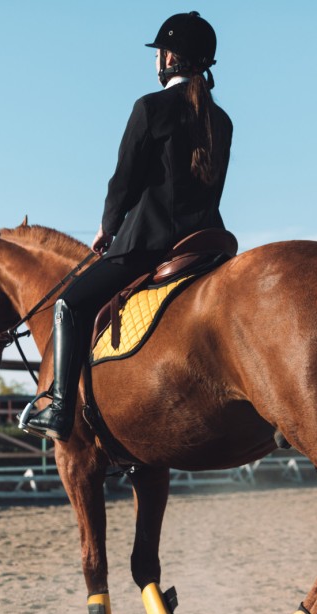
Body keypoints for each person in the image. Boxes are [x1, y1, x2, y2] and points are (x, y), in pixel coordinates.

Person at [21, 10, 233, 441]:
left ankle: (59, 407)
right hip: (209, 244)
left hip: (150, 244)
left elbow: (125, 180)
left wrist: (108, 226)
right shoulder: (222, 119)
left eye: (158, 53)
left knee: (68, 305)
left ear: (169, 57)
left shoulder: (149, 108)